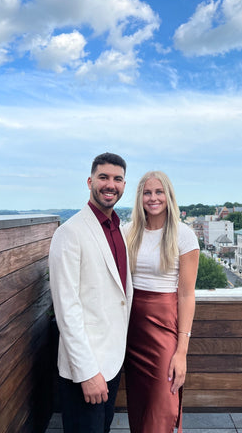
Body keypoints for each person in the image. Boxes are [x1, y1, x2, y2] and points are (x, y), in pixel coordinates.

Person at [49, 152, 133, 433]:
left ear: (124, 185)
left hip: (112, 363)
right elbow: (66, 309)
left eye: (117, 179)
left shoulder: (118, 229)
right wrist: (87, 373)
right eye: (104, 177)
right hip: (85, 370)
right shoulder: (70, 232)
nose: (111, 184)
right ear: (90, 181)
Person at [123, 171, 199, 433]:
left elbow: (187, 295)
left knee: (163, 407)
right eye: (147, 192)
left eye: (158, 192)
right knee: (140, 407)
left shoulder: (183, 235)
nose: (153, 198)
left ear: (168, 196)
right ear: (139, 197)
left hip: (164, 329)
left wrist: (182, 351)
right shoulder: (128, 232)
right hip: (132, 331)